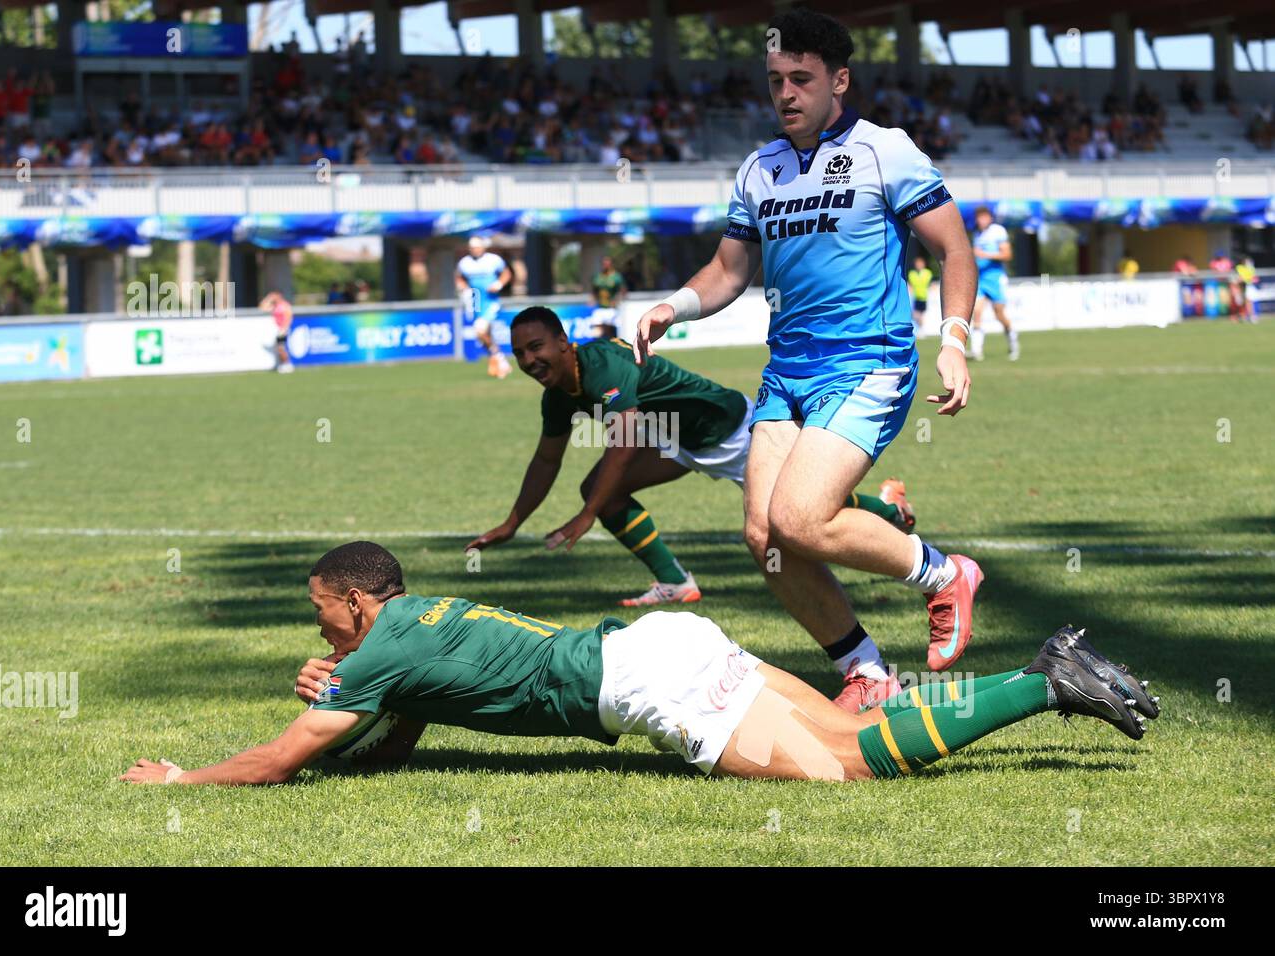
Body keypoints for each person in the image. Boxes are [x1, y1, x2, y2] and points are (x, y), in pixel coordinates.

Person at [120, 542, 1158, 787]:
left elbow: (277, 756)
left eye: (323, 616)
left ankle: (1040, 683)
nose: (325, 632)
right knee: (848, 729)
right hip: (663, 646)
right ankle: (1052, 667)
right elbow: (392, 737)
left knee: (843, 770)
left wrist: (185, 778)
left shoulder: (373, 648)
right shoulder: (415, 619)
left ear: (354, 599)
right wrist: (350, 703)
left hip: (643, 682)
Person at [631, 7, 984, 712]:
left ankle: (945, 575)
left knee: (799, 518)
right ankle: (866, 670)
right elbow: (728, 272)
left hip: (868, 362)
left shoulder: (887, 151)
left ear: (839, 81)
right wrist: (676, 305)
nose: (786, 93)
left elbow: (955, 248)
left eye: (802, 78)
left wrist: (952, 340)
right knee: (765, 534)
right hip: (787, 373)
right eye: (775, 81)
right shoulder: (758, 171)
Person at [467, 308, 915, 625]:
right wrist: (511, 522)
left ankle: (892, 512)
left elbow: (622, 442)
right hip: (674, 441)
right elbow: (547, 459)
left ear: (565, 343)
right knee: (602, 491)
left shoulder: (601, 366)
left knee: (797, 508)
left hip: (726, 429)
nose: (528, 360)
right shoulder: (558, 396)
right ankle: (674, 583)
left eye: (536, 347)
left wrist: (585, 518)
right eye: (520, 352)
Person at [455, 236, 513, 379]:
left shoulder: (493, 260)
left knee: (480, 331)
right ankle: (499, 362)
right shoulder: (465, 263)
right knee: (485, 334)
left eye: (477, 247)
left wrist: (498, 284)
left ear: (483, 247)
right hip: (476, 301)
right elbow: (459, 277)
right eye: (472, 247)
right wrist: (464, 288)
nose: (475, 250)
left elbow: (507, 273)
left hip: (491, 301)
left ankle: (499, 358)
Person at [969, 206, 1018, 361]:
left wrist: (985, 255)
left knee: (999, 314)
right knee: (976, 312)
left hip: (995, 279)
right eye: (979, 217)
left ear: (990, 218)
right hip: (981, 279)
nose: (981, 220)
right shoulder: (977, 234)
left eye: (984, 217)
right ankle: (976, 350)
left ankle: (1012, 340)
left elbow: (1007, 254)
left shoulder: (998, 231)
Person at [260, 291, 294, 373]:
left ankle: (287, 364)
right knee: (279, 348)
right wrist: (268, 298)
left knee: (280, 348)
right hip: (278, 329)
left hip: (283, 329)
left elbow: (288, 317)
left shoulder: (285, 305)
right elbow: (262, 307)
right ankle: (283, 364)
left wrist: (284, 328)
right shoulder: (275, 306)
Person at [906, 254, 933, 331]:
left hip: (924, 297)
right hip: (915, 297)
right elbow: (910, 284)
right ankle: (920, 329)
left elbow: (930, 284)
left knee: (921, 314)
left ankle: (921, 329)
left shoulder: (927, 273)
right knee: (916, 314)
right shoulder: (912, 274)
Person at [1235, 256, 1259, 323]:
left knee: (1249, 301)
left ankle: (1252, 316)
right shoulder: (1239, 267)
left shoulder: (1250, 268)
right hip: (1242, 287)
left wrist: (1244, 279)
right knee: (1242, 302)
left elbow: (1253, 278)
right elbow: (1240, 277)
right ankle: (1244, 316)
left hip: (1248, 286)